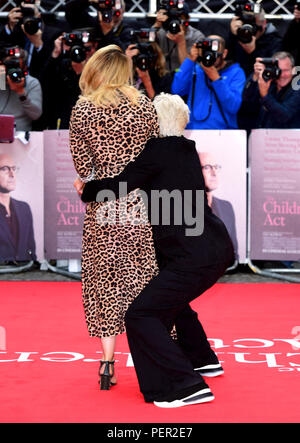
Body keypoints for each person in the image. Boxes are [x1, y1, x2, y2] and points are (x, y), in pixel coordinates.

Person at [79, 93, 234, 407]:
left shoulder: (157, 151)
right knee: (171, 301)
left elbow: (121, 184)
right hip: (213, 247)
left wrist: (87, 189)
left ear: (153, 122)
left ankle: (183, 386)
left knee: (140, 313)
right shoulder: (186, 149)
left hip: (194, 255)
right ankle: (202, 358)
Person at [69, 44, 159, 390]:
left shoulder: (83, 109)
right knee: (143, 280)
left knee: (104, 283)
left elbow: (82, 165)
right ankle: (154, 356)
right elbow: (155, 156)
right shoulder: (144, 107)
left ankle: (107, 363)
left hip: (104, 206)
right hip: (139, 204)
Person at [171, 35, 246, 129]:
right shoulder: (196, 70)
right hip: (194, 132)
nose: (210, 56)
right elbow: (177, 90)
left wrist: (216, 79)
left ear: (224, 53)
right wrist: (190, 60)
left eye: (215, 53)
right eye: (207, 51)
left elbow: (233, 106)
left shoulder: (236, 72)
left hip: (223, 134)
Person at [40, 29, 99, 129]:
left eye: (88, 48)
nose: (84, 52)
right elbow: (44, 84)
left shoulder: (101, 70)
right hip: (61, 123)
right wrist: (56, 52)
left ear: (95, 47)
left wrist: (82, 73)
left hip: (90, 125)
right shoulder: (62, 65)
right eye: (80, 48)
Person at [0, 0, 62, 80]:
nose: (28, 17)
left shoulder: (53, 33)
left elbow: (52, 68)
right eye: (25, 13)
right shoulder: (15, 30)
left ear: (39, 15)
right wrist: (10, 27)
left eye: (31, 13)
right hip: (11, 79)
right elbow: (2, 53)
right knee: (2, 81)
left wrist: (39, 45)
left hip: (40, 81)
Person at [241, 51, 300, 130]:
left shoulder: (297, 87)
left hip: (289, 140)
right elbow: (247, 99)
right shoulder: (269, 82)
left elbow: (284, 115)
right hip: (264, 137)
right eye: (279, 70)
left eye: (286, 70)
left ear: (293, 70)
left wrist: (265, 96)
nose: (282, 75)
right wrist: (255, 76)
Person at [199, 151, 238, 262]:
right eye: (207, 167)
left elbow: (234, 253)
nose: (214, 172)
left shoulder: (226, 207)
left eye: (216, 167)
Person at [227, 5, 282, 78]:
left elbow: (271, 72)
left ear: (264, 23)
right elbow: (226, 62)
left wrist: (252, 53)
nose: (248, 30)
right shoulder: (236, 37)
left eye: (253, 25)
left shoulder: (275, 42)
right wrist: (233, 34)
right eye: (246, 23)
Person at [0, 153, 36, 263]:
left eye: (14, 169)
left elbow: (31, 250)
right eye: (5, 169)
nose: (12, 174)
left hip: (24, 274)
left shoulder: (24, 209)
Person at [153, 2, 204, 74]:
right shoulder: (161, 32)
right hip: (163, 77)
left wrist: (181, 42)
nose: (175, 22)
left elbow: (188, 70)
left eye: (179, 17)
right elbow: (144, 46)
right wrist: (156, 26)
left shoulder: (196, 36)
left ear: (187, 19)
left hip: (184, 79)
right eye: (172, 17)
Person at [0, 46, 42, 131]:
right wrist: (2, 78)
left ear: (24, 68)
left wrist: (21, 92)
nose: (12, 70)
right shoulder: (1, 80)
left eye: (16, 66)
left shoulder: (31, 83)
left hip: (20, 136)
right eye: (9, 65)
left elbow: (36, 115)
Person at [65, 0, 131, 50]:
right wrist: (89, 1)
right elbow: (71, 11)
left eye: (116, 11)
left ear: (123, 11)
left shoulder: (127, 31)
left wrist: (108, 32)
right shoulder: (92, 24)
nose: (112, 13)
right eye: (109, 9)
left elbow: (124, 53)